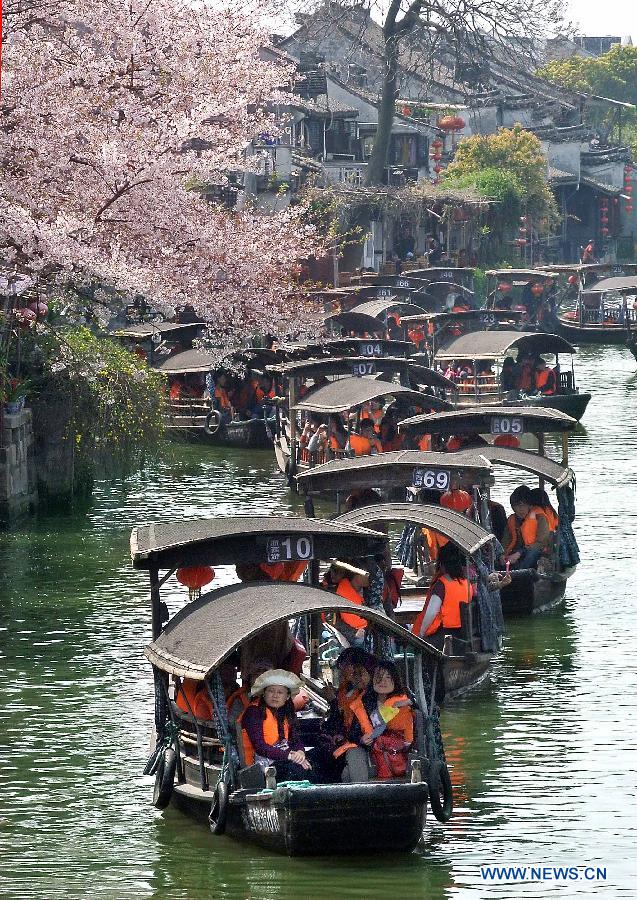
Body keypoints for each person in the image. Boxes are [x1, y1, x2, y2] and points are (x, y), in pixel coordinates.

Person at [340, 660, 414, 782]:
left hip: (398, 753)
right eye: (379, 677)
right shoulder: (364, 702)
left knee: (347, 774)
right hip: (370, 753)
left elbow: (410, 736)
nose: (383, 681)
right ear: (373, 680)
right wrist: (362, 739)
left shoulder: (404, 702)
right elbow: (353, 733)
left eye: (388, 677)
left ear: (394, 680)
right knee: (352, 754)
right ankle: (362, 793)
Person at [240, 669, 313, 780]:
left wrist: (300, 753)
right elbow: (260, 747)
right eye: (271, 691)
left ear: (287, 696)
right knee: (297, 770)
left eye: (280, 692)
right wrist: (290, 756)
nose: (275, 696)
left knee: (314, 762)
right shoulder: (254, 712)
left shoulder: (286, 712)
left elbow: (295, 740)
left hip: (283, 758)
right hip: (261, 764)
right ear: (264, 694)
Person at [411, 542, 472, 648]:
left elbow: (431, 613)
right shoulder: (467, 583)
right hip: (463, 635)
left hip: (443, 636)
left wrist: (420, 634)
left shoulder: (442, 585)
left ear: (442, 564)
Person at [504, 485, 551, 570]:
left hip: (534, 552)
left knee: (532, 553)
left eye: (523, 505)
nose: (520, 509)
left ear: (530, 505)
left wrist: (520, 553)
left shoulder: (539, 517)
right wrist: (502, 555)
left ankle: (520, 574)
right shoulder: (512, 519)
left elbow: (541, 542)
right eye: (517, 506)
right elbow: (506, 540)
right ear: (513, 507)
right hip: (515, 555)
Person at [329, 561, 371, 648]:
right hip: (352, 637)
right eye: (367, 575)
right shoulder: (339, 592)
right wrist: (353, 632)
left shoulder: (368, 592)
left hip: (366, 633)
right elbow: (331, 619)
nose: (370, 578)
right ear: (357, 575)